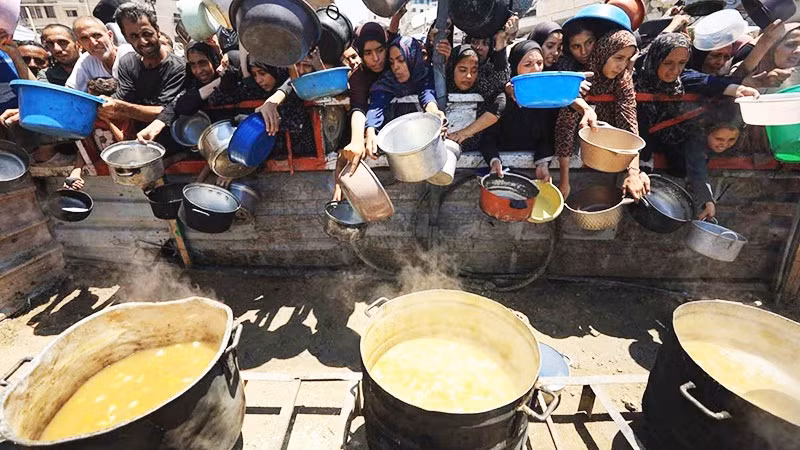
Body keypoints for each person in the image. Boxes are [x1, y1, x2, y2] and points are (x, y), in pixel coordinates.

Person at [556, 29, 649, 199]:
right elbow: (565, 126)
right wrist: (564, 180)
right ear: (604, 52)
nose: (622, 65)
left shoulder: (623, 79)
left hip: (610, 147)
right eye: (618, 58)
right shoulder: (580, 78)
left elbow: (629, 122)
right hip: (579, 146)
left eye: (628, 59)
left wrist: (634, 173)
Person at [97, 2, 185, 150]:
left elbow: (163, 112)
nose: (143, 42)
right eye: (134, 36)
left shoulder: (178, 68)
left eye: (147, 34)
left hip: (171, 142)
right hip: (138, 141)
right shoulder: (127, 62)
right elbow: (124, 96)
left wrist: (119, 107)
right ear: (126, 37)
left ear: (157, 30)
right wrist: (105, 105)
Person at [364, 36, 447, 156]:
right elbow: (377, 104)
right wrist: (370, 130)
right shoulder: (387, 81)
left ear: (412, 58)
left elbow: (426, 92)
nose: (395, 67)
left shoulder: (424, 73)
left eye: (401, 60)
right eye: (391, 62)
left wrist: (433, 110)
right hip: (396, 143)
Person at [685, 105, 744, 220]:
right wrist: (708, 201)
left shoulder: (738, 145)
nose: (725, 144)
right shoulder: (695, 143)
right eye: (719, 139)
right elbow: (697, 172)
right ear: (707, 134)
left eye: (731, 140)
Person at [446, 45, 506, 152]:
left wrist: (465, 132)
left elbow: (500, 103)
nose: (469, 76)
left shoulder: (481, 84)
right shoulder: (440, 84)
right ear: (452, 67)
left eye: (474, 71)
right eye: (463, 70)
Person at [67, 16, 134, 92]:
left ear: (110, 36)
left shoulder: (130, 55)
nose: (93, 43)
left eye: (97, 35)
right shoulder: (86, 61)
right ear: (80, 44)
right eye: (85, 38)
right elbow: (71, 92)